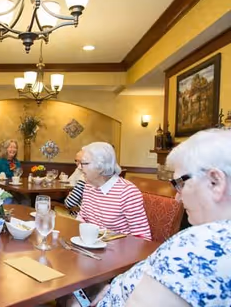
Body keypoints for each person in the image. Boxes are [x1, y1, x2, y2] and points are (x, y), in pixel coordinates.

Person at [84, 129, 231, 307]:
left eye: (181, 183)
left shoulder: (198, 244)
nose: (177, 197)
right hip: (113, 284)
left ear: (215, 182)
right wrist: (116, 287)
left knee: (68, 296)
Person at [77, 142, 151, 240]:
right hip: (91, 247)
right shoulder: (89, 186)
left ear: (101, 167)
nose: (79, 167)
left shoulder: (127, 192)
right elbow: (82, 218)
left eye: (83, 163)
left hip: (119, 252)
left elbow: (143, 237)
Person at [63, 150, 86, 216]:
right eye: (76, 161)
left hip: (77, 216)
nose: (78, 165)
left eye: (81, 162)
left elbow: (69, 203)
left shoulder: (84, 178)